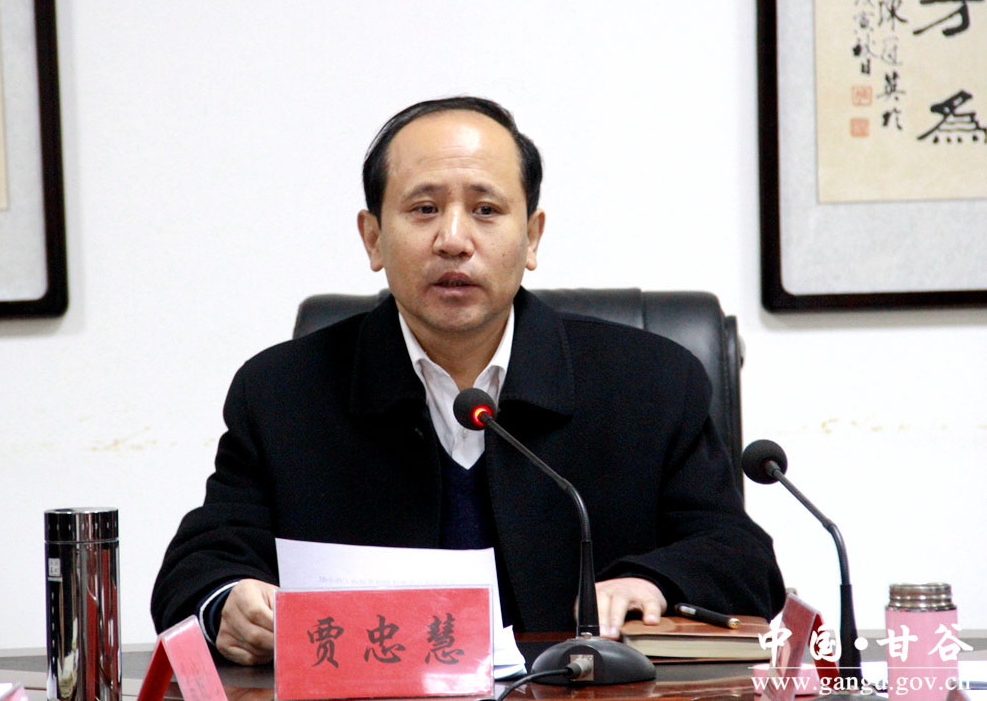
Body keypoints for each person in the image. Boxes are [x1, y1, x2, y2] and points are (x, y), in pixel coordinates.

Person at [151, 96, 784, 665]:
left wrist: (652, 582)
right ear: (373, 239)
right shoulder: (282, 393)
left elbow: (742, 559)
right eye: (424, 209)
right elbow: (198, 567)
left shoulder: (651, 383)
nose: (453, 240)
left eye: (485, 210)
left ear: (531, 237)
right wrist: (227, 602)